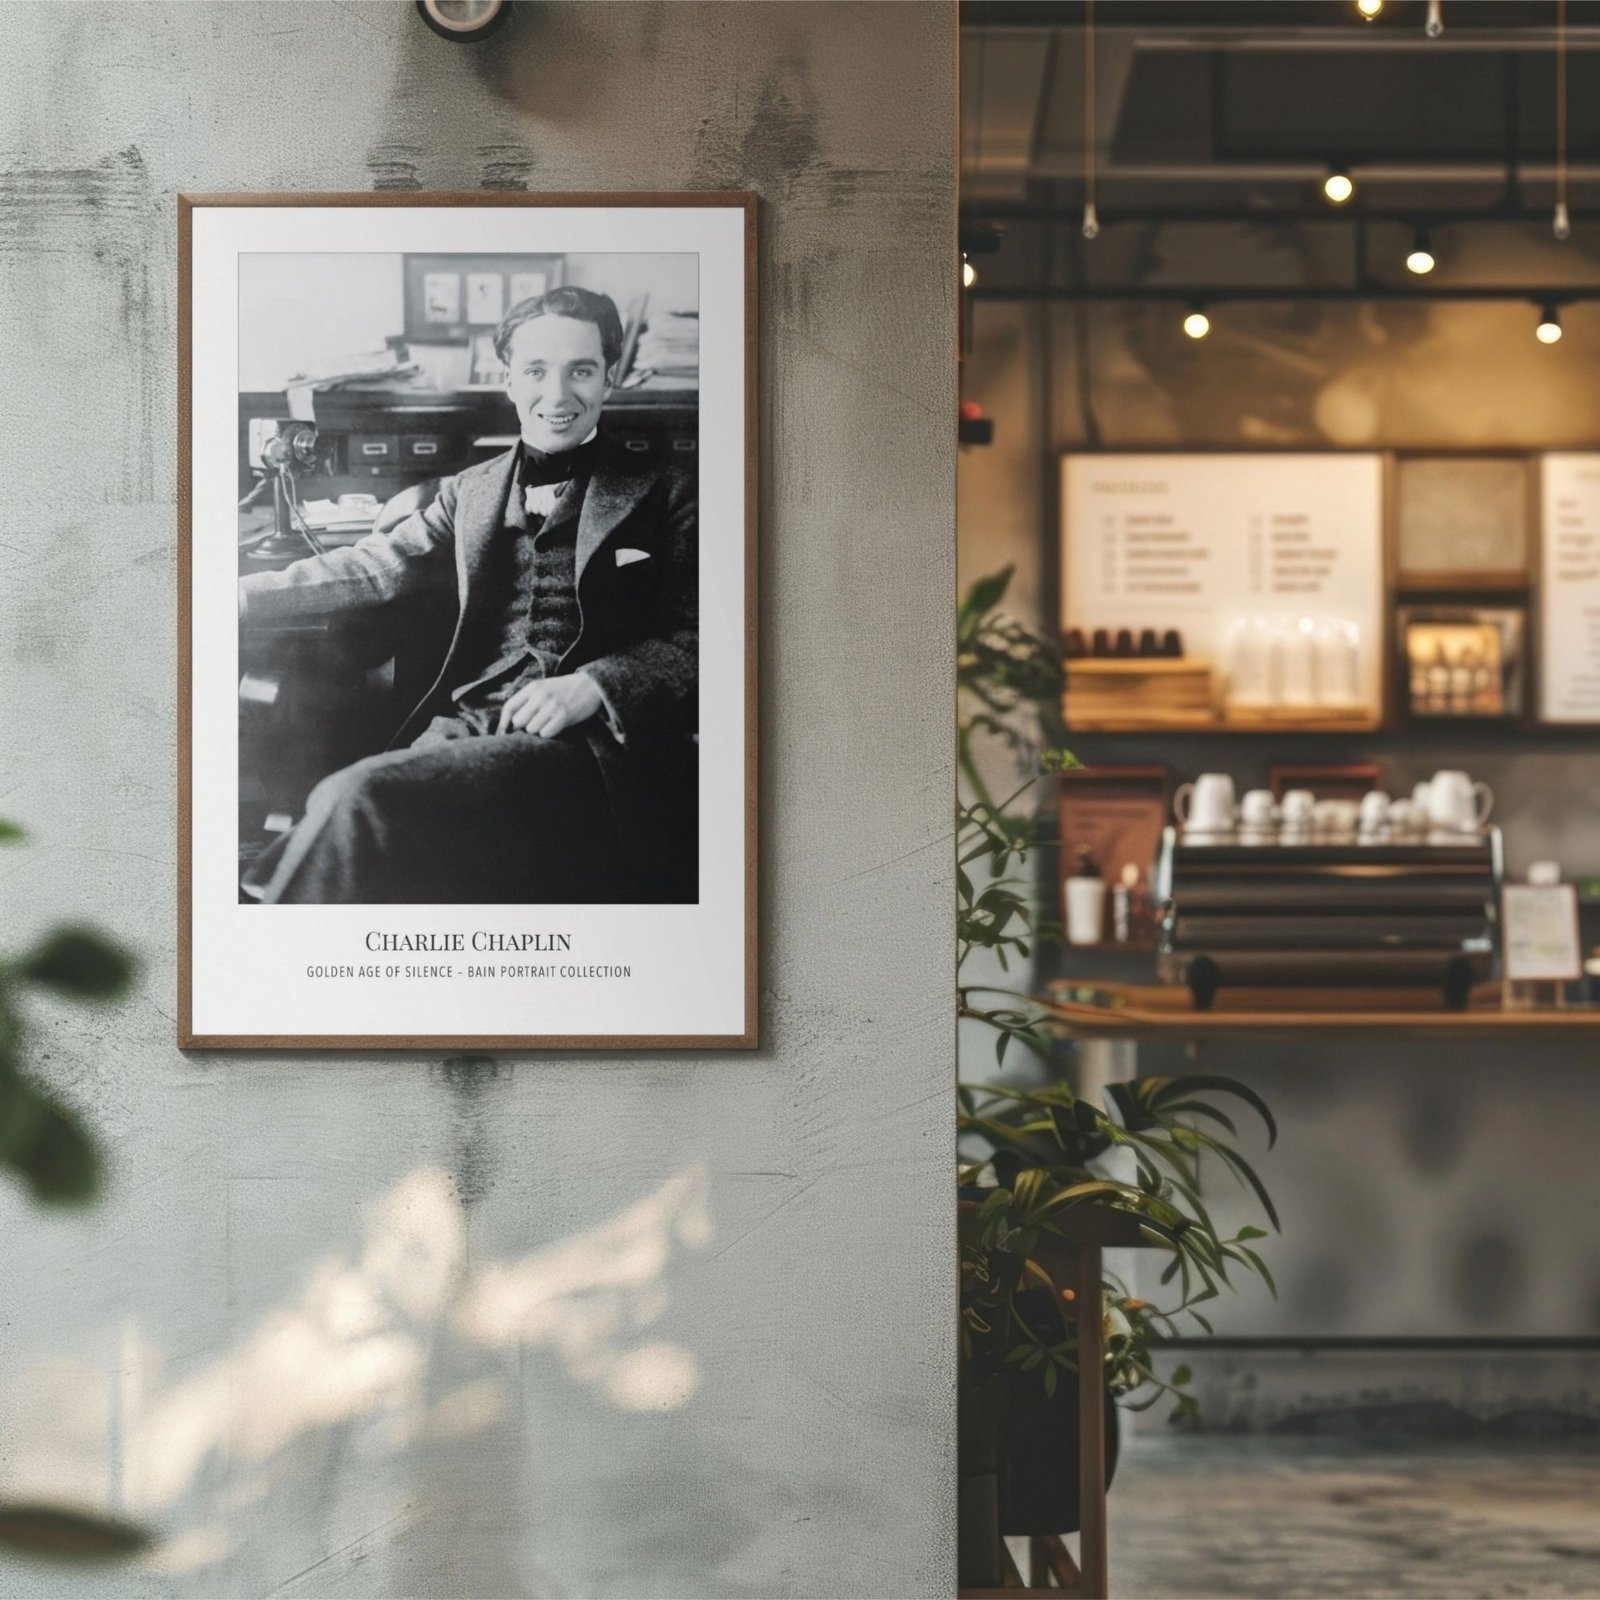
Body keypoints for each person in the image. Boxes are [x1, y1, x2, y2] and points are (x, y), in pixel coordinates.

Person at [239, 286, 697, 905]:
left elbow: (707, 639)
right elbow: (376, 566)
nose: (558, 396)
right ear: (508, 379)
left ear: (609, 378)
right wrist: (232, 597)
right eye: (536, 371)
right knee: (348, 805)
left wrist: (597, 685)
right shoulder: (469, 491)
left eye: (581, 370)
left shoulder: (670, 494)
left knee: (359, 800)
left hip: (590, 755)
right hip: (467, 726)